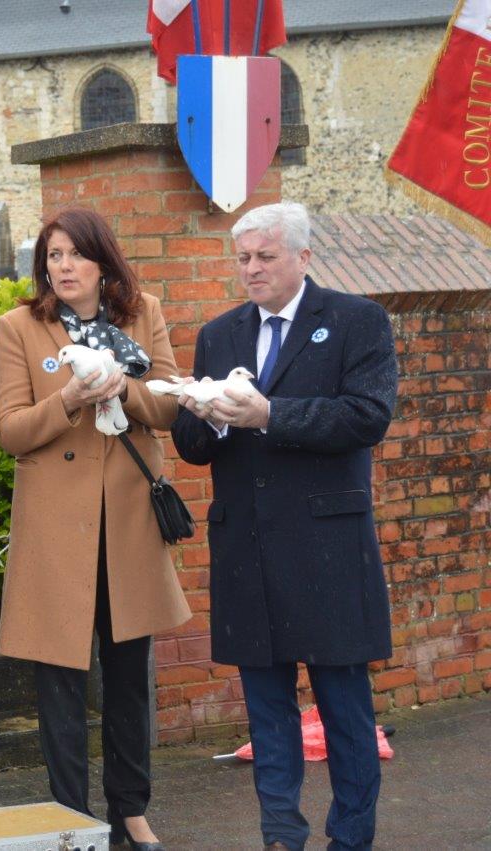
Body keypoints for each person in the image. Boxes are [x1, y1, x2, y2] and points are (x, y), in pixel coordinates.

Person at [171, 201, 396, 851]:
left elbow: (366, 417)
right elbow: (193, 444)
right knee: (268, 715)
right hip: (248, 550)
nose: (252, 269)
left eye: (265, 256)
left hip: (327, 550)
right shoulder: (219, 333)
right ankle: (280, 836)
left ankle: (350, 839)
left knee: (345, 711)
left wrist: (269, 414)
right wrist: (207, 414)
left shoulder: (358, 322)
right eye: (242, 258)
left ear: (303, 256)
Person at [0, 207, 190, 850]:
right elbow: (10, 431)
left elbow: (168, 404)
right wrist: (71, 399)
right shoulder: (19, 326)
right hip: (57, 534)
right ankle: (69, 818)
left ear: (103, 261)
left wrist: (121, 388)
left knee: (129, 679)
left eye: (76, 254)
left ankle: (131, 810)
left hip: (126, 525)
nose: (64, 267)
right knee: (60, 686)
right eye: (53, 255)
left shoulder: (142, 313)